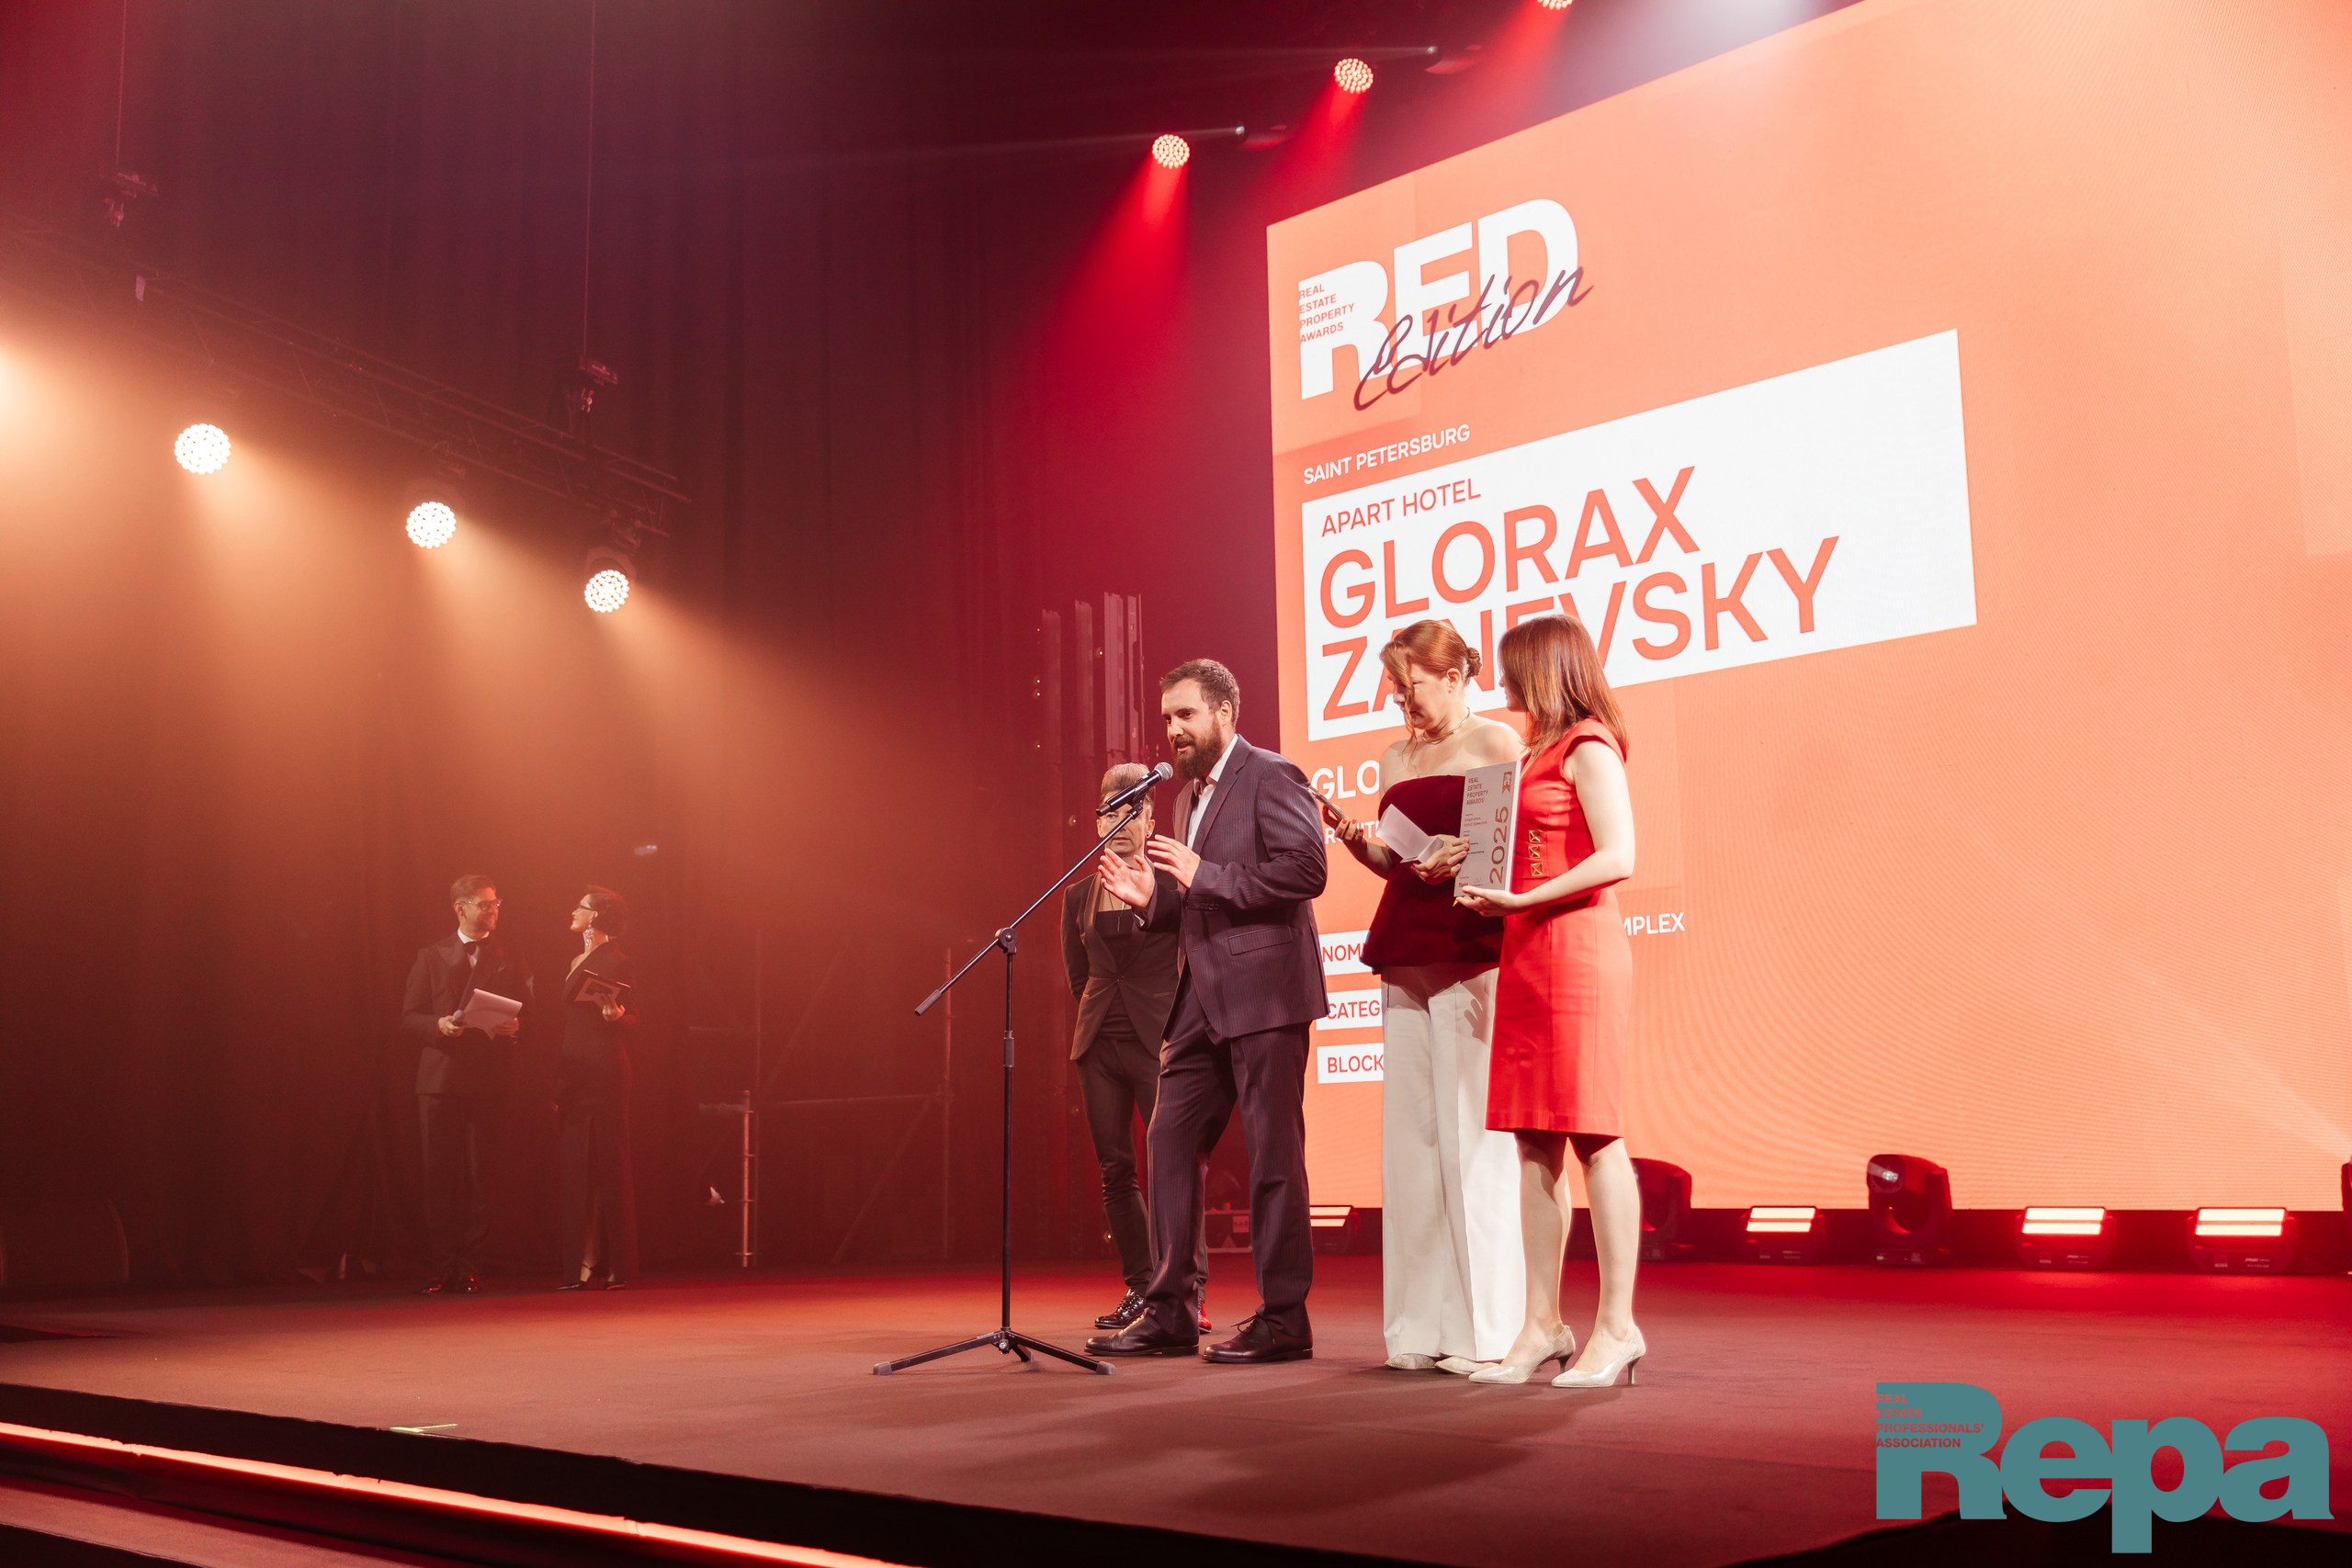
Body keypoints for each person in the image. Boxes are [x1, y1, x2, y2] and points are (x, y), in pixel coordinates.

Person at [1085, 659, 1329, 1365]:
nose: (1173, 729)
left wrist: (1205, 875)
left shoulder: (1272, 775)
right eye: (1167, 717)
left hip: (1266, 991)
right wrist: (1154, 901)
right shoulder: (1186, 800)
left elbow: (1307, 870)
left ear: (1225, 711)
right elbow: (1196, 899)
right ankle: (1172, 1308)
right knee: (1167, 1139)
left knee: (1272, 1154)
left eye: (1186, 714)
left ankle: (1285, 1318)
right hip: (1201, 997)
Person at [1322, 619, 1524, 1373]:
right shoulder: (1393, 755)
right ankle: (1416, 1328)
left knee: (1472, 1137)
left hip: (1470, 941)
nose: (1402, 702)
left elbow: (1512, 847)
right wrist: (1355, 839)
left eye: (1411, 687)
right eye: (1395, 690)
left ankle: (1485, 1332)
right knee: (1413, 1142)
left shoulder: (1496, 740)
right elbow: (1395, 860)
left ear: (1453, 675)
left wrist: (1467, 853)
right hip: (1407, 943)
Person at [1455, 614, 1644, 1388]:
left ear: (1544, 668)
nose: (1500, 682)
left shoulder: (1589, 744)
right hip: (1529, 950)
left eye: (1510, 668)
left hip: (1577, 951)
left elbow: (1619, 854)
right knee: (1533, 1140)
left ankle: (1618, 1326)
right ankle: (1542, 1323)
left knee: (1594, 1135)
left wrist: (1523, 897)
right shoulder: (1533, 750)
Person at [1061, 764, 1190, 1332]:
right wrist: (1101, 1019)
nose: (1120, 822)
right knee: (1116, 1170)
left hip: (1157, 1041)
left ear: (1150, 822)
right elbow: (1079, 975)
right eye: (1110, 813)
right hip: (1098, 1045)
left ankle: (1186, 1289)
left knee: (1174, 1167)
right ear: (1098, 823)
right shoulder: (1077, 898)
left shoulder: (1173, 889)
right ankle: (1140, 1287)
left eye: (1131, 812)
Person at [401, 874, 534, 1294]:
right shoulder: (430, 956)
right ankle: (441, 1265)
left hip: (488, 1079)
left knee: (482, 1175)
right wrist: (438, 1025)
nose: (494, 911)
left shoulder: (510, 955)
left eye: (497, 904)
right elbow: (410, 1016)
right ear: (461, 908)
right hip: (440, 1079)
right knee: (439, 1174)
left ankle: (471, 1265)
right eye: (486, 904)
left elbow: (531, 1013)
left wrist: (518, 1026)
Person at [556, 886, 639, 1292]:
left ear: (596, 917)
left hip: (606, 1070)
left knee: (609, 1162)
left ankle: (619, 1264)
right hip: (576, 1072)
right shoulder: (577, 959)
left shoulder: (618, 960)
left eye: (582, 907)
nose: (574, 911)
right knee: (578, 1167)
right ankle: (582, 1263)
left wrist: (617, 1016)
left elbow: (637, 1018)